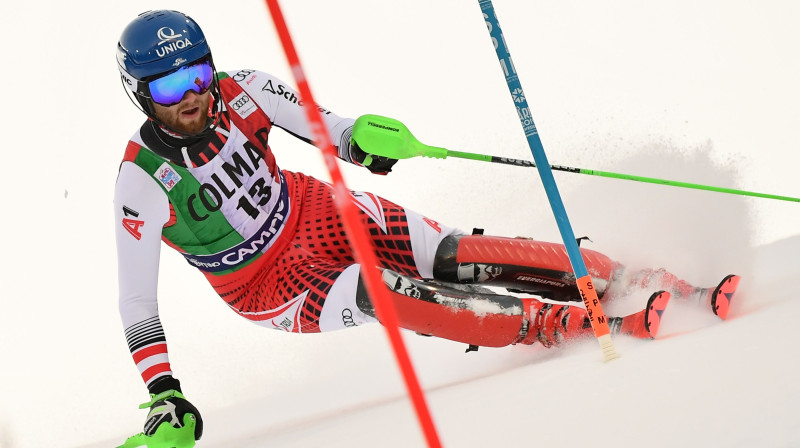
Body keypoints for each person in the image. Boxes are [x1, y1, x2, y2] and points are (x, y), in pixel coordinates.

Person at [114, 10, 738, 443]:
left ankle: (634, 279)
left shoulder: (243, 89)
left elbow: (330, 129)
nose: (192, 95)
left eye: (197, 73)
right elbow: (138, 299)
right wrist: (163, 389)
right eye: (170, 86)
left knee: (454, 255)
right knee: (384, 290)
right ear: (140, 92)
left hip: (314, 211)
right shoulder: (140, 182)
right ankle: (558, 324)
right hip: (267, 283)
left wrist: (364, 142)